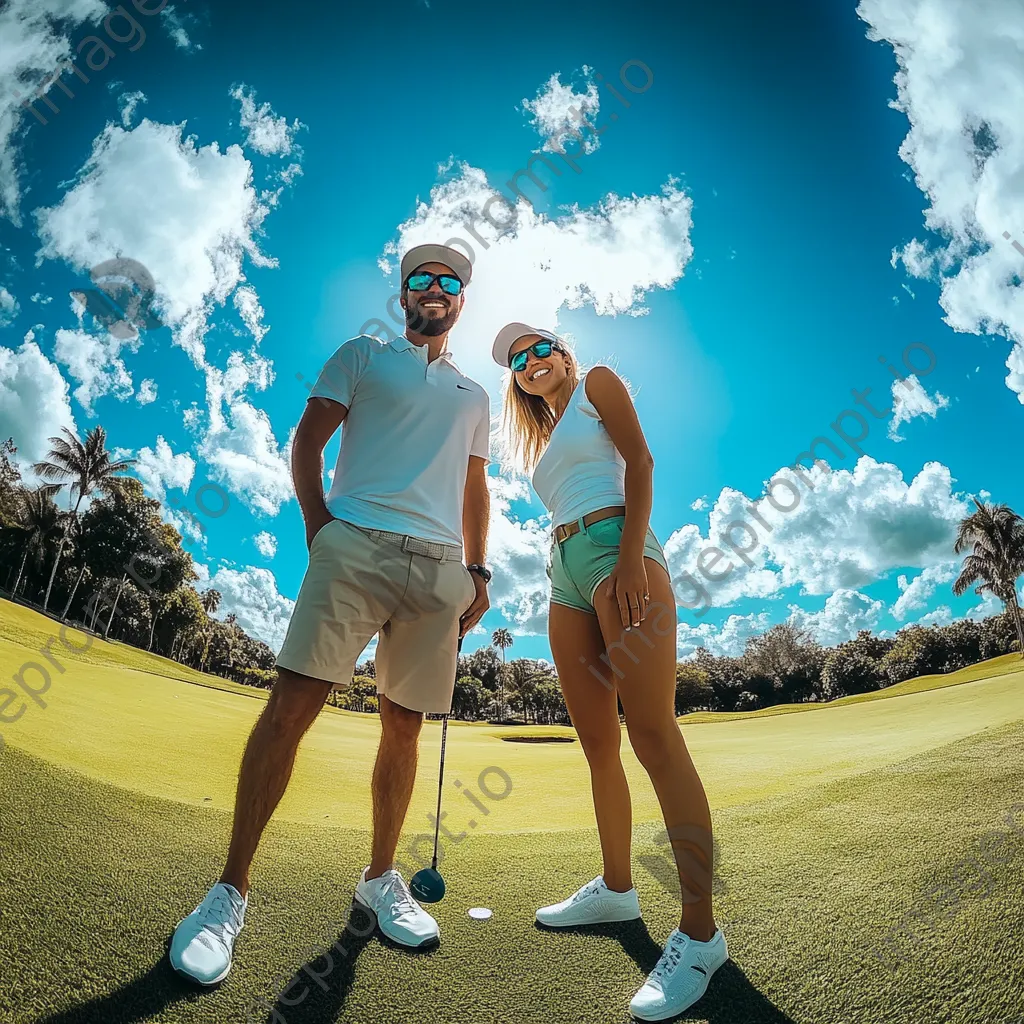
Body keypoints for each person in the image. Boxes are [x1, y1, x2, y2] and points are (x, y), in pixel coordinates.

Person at [169, 244, 494, 984]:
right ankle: (228, 893)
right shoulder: (362, 353)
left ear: (462, 300)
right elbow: (309, 439)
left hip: (440, 568)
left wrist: (477, 570)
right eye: (423, 279)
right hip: (354, 546)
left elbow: (476, 489)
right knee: (292, 707)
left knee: (404, 727)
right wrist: (321, 528)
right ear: (405, 292)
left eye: (450, 281)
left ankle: (381, 880)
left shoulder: (475, 396)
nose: (436, 289)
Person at [491, 323, 727, 1021]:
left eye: (539, 349)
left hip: (616, 548)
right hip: (562, 570)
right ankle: (617, 889)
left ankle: (702, 933)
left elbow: (643, 462)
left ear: (563, 354)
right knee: (597, 744)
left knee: (653, 733)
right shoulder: (545, 438)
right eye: (516, 360)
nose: (529, 362)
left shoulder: (597, 382)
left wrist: (629, 558)